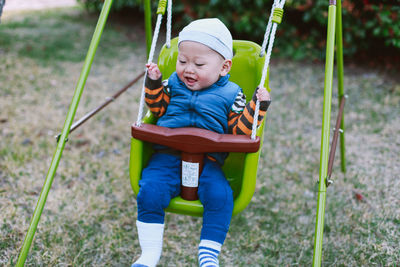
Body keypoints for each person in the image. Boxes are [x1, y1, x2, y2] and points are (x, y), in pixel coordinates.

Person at [132, 18, 271, 267]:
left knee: (221, 196)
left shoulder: (232, 94)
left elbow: (240, 130)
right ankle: (149, 254)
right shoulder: (173, 83)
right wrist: (154, 81)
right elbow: (157, 107)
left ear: (224, 68)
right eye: (182, 61)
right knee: (150, 191)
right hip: (167, 156)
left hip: (209, 161)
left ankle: (208, 255)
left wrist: (256, 106)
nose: (188, 69)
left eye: (199, 64)